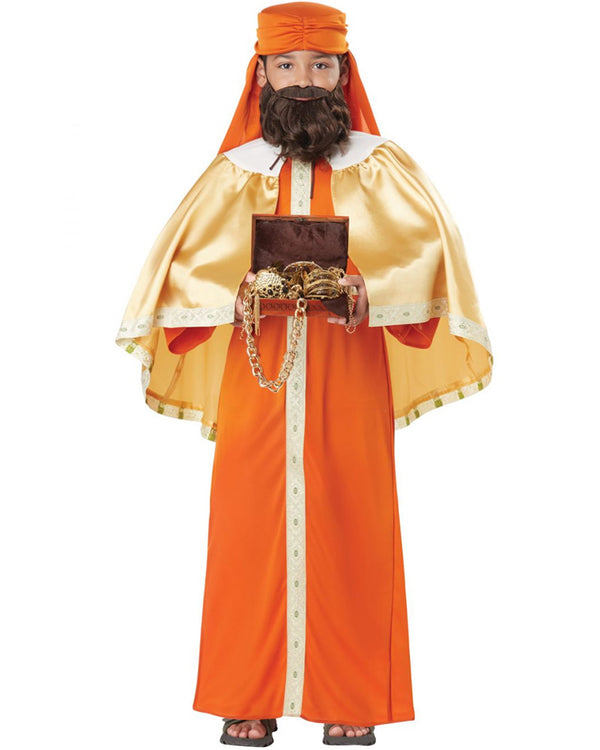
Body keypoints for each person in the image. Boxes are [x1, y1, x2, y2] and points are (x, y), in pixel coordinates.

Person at [115, 2, 493, 746]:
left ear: (343, 74)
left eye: (321, 65)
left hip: (348, 371)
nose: (304, 81)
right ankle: (244, 693)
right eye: (286, 66)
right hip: (258, 377)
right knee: (247, 526)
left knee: (355, 518)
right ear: (260, 75)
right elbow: (182, 273)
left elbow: (428, 259)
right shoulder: (233, 172)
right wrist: (235, 291)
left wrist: (368, 287)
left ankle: (351, 695)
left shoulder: (380, 166)